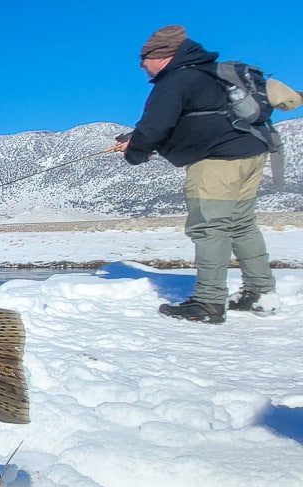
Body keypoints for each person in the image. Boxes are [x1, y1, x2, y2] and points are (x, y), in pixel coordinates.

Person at [115, 24, 279, 324]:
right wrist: (135, 138)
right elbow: (190, 121)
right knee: (241, 225)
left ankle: (208, 302)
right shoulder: (208, 73)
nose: (141, 65)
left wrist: (134, 151)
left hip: (217, 160)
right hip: (251, 151)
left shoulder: (175, 80)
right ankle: (260, 292)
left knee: (210, 227)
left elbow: (156, 127)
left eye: (143, 58)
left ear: (162, 55)